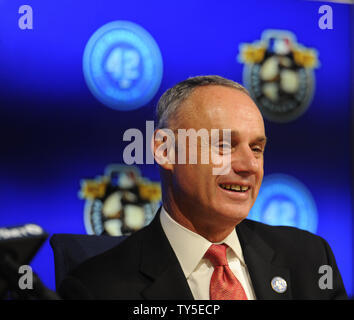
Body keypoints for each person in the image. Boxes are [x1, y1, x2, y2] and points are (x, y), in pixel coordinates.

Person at [58, 75, 347, 300]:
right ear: (166, 150)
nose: (249, 165)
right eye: (224, 145)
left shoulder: (310, 259)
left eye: (257, 148)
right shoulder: (97, 287)